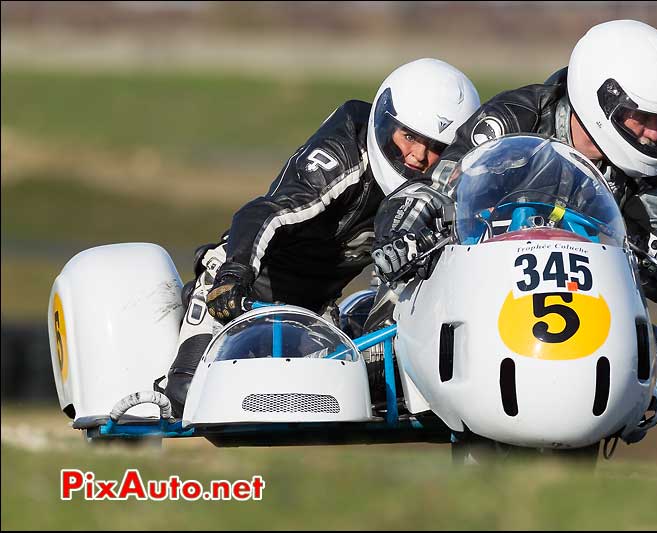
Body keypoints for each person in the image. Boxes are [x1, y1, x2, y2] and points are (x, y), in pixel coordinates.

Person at [163, 58, 480, 418]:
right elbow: (265, 213)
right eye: (409, 136)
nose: (419, 156)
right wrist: (233, 275)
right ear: (386, 120)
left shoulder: (444, 187)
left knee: (361, 400)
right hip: (241, 294)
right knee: (189, 396)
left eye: (435, 145)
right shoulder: (344, 155)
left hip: (315, 314)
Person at [372, 20, 657, 304]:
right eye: (643, 116)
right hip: (481, 286)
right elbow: (437, 186)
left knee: (648, 346)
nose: (655, 134)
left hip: (589, 302)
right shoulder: (515, 118)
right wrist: (403, 235)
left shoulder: (655, 167)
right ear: (602, 97)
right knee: (392, 317)